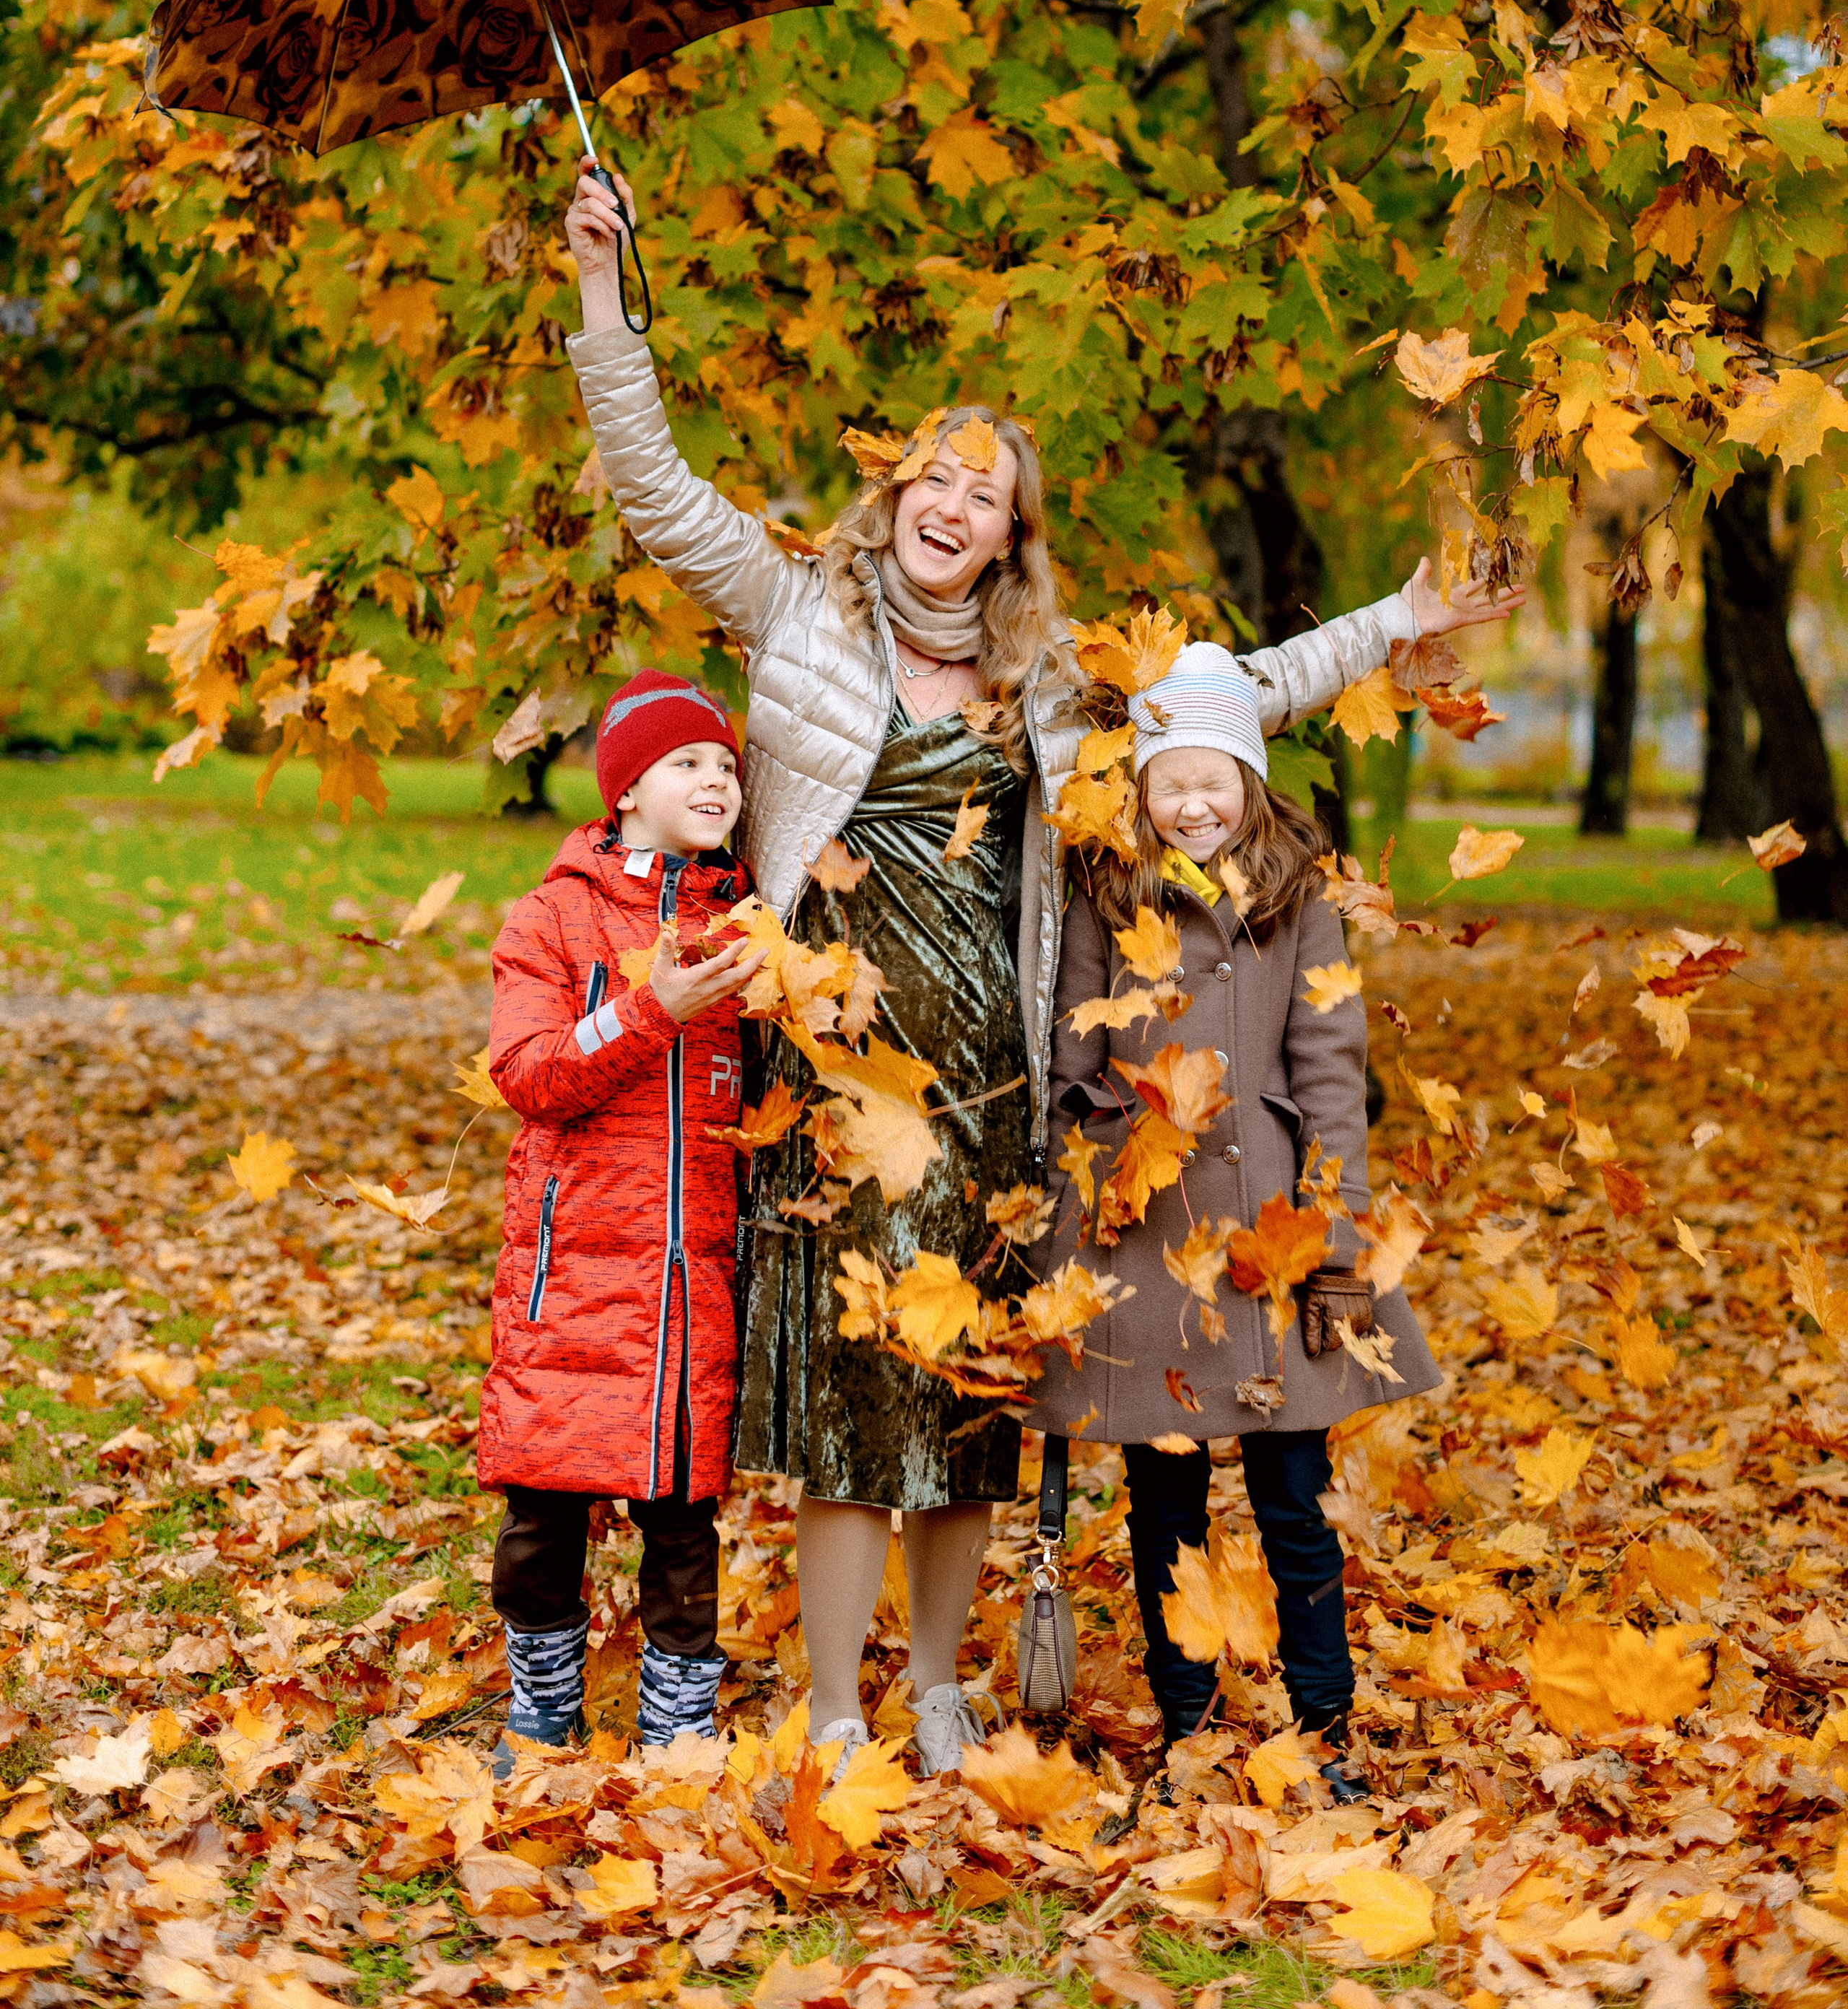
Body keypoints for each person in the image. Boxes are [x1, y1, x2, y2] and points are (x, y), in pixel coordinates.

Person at [563, 159, 1521, 1776]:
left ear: (1014, 531)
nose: (950, 506)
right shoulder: (794, 610)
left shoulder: (1050, 683)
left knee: (967, 1398)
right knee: (850, 1399)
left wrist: (1397, 618)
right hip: (832, 1087)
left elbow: (1233, 693)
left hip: (997, 1088)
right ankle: (835, 1703)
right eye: (931, 478)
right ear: (894, 497)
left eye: (984, 492)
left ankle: (940, 1686)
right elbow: (652, 486)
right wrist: (604, 288)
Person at [1027, 642, 1441, 1790]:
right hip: (1146, 1229)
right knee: (1164, 1498)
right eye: (1169, 784)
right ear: (1142, 793)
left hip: (1272, 1229)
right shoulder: (1108, 892)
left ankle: (1325, 1722)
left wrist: (1338, 1225)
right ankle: (1190, 1723)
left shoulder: (1300, 901)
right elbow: (1071, 1048)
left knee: (1293, 1496)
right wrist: (1082, 1166)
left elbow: (1332, 1067)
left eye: (1213, 779)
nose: (1193, 804)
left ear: (1250, 783)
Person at [476, 668, 763, 1774]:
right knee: (544, 1512)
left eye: (727, 764)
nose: (716, 780)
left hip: (694, 1278)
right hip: (575, 1273)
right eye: (687, 762)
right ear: (628, 789)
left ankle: (677, 1726)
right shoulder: (552, 917)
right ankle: (541, 1711)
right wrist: (654, 1010)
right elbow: (530, 1073)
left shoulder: (750, 926)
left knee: (684, 1518)